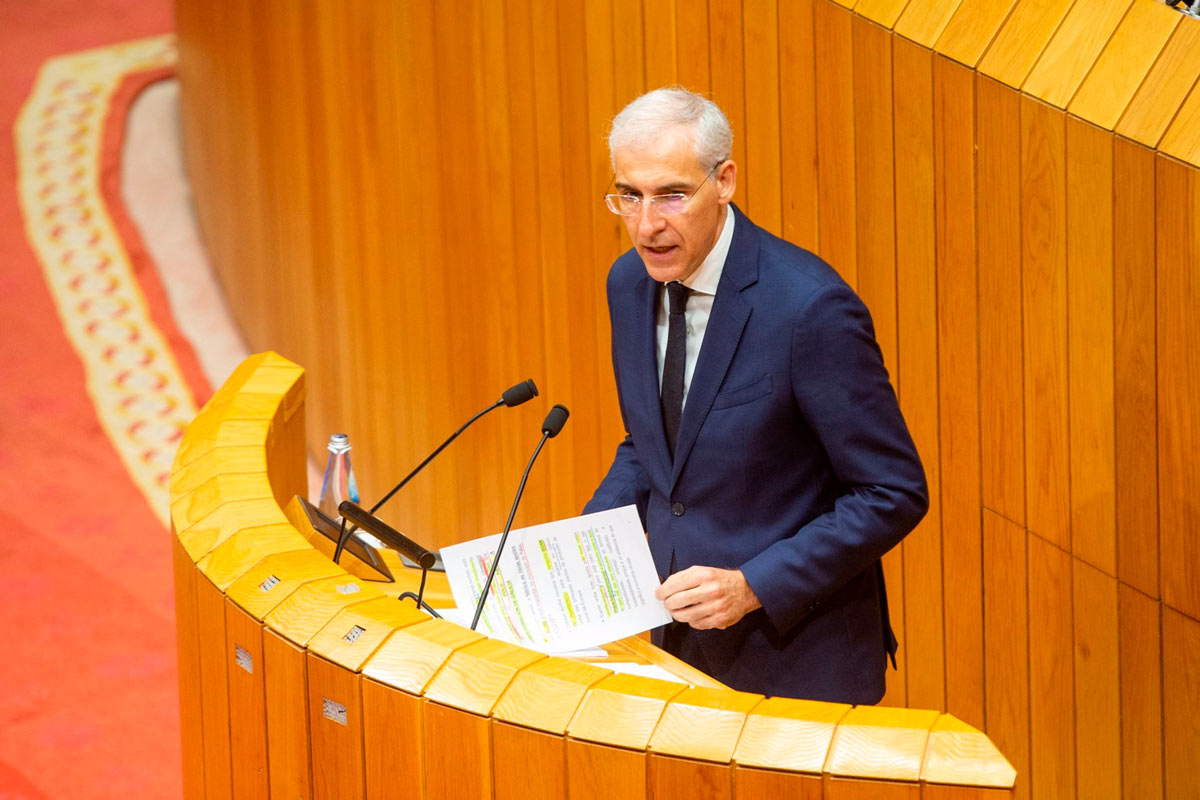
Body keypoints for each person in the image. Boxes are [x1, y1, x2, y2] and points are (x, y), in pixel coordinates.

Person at [583, 87, 928, 704]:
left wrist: (752, 584)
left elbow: (891, 492)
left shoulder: (808, 309)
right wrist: (583, 545)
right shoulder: (629, 283)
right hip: (675, 646)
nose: (646, 224)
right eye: (628, 196)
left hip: (795, 662)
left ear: (725, 181)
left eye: (671, 195)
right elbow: (653, 446)